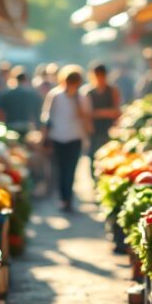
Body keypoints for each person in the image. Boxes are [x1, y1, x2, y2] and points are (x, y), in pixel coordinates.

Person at [42, 66, 92, 212]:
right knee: (60, 169)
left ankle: (68, 198)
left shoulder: (82, 97)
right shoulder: (55, 95)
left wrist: (77, 103)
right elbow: (47, 118)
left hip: (75, 137)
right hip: (58, 137)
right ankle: (63, 198)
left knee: (71, 169)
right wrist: (44, 137)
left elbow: (87, 117)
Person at [84, 63, 122, 173]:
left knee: (110, 158)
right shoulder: (88, 92)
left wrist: (97, 113)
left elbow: (116, 111)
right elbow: (87, 114)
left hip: (109, 128)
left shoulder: (113, 90)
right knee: (94, 157)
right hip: (94, 129)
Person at [0, 67, 43, 133]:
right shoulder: (35, 94)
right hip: (28, 126)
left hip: (11, 126)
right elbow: (38, 113)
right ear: (26, 79)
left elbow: (0, 112)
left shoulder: (6, 93)